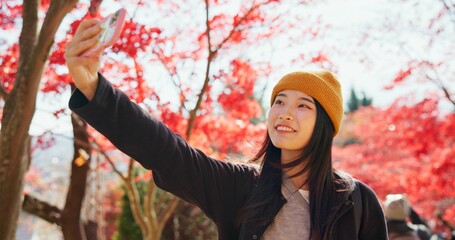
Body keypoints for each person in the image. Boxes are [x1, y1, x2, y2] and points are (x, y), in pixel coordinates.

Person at [65, 19, 388, 240]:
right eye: (279, 102)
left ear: (325, 126)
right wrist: (95, 88)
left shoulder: (356, 201)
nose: (285, 113)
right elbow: (168, 154)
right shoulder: (241, 186)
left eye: (304, 105)